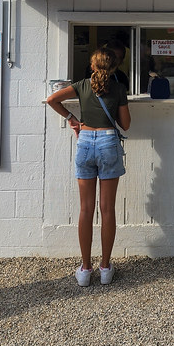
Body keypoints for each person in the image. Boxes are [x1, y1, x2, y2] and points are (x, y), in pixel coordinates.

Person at [46, 48, 131, 286]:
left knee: (85, 209)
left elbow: (52, 99)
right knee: (107, 209)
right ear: (113, 67)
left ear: (92, 66)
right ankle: (105, 268)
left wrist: (72, 119)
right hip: (107, 142)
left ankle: (85, 269)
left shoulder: (82, 85)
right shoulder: (118, 88)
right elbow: (125, 124)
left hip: (85, 141)